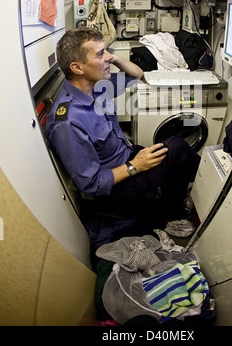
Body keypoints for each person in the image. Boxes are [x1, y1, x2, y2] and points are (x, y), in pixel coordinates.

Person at [46, 27, 200, 254]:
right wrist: (135, 166)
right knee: (178, 147)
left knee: (179, 152)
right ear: (77, 68)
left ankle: (184, 199)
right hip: (116, 185)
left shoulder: (95, 86)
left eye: (105, 51)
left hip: (127, 155)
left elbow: (137, 74)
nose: (107, 58)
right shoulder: (68, 121)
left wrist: (113, 57)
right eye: (100, 55)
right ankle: (174, 214)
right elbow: (91, 184)